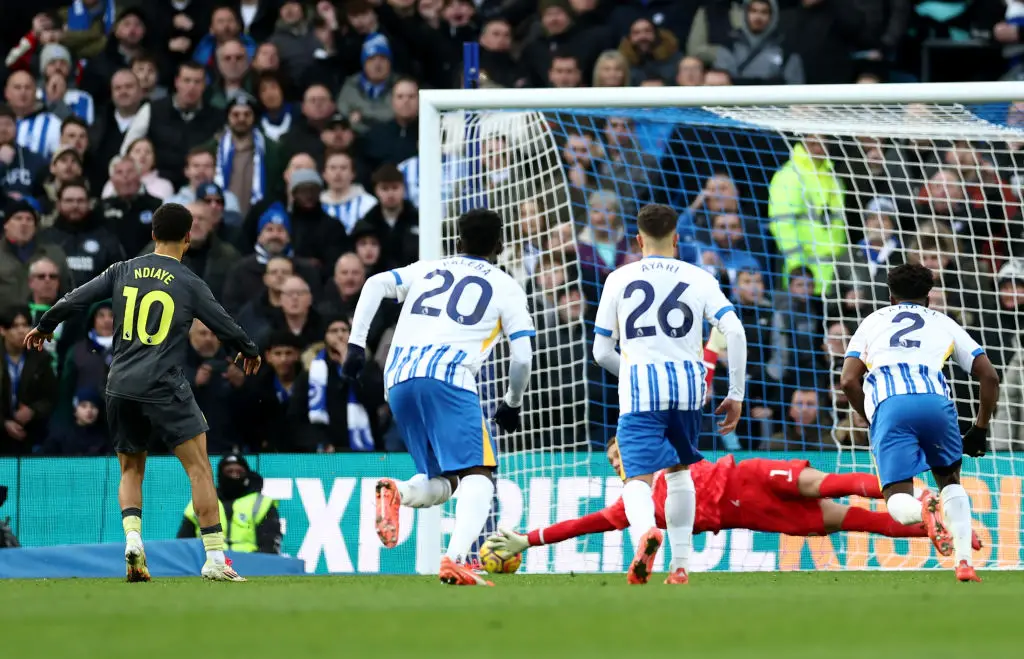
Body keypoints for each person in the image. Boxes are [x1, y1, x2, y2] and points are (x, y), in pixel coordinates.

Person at [25, 203, 262, 583]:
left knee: (131, 467)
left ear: (153, 234)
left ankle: (133, 539)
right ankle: (216, 558)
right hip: (164, 384)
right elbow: (223, 323)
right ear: (188, 237)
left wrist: (44, 325)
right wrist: (248, 349)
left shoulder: (122, 270)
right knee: (199, 467)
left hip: (119, 385)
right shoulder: (188, 281)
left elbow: (77, 298)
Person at [343, 208, 535, 587]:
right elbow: (524, 355)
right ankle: (456, 559)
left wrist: (355, 344)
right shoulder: (506, 285)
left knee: (444, 480)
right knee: (480, 473)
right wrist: (512, 402)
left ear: (458, 241)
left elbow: (374, 285)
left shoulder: (429, 268)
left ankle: (397, 491)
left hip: (397, 378)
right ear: (500, 244)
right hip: (448, 376)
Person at [591, 203, 748, 585]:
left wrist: (631, 373)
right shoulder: (699, 277)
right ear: (677, 239)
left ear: (638, 240)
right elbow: (737, 332)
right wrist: (737, 393)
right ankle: (680, 567)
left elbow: (600, 352)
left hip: (641, 391)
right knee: (679, 475)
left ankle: (645, 532)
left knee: (637, 482)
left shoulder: (618, 278)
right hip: (688, 390)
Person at [488, 437, 984, 557]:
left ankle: (918, 493)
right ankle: (948, 529)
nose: (620, 459)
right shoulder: (630, 504)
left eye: (623, 450)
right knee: (855, 520)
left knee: (825, 481)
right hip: (754, 515)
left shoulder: (668, 455)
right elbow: (582, 525)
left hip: (749, 476)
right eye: (614, 459)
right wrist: (527, 541)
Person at [839, 262, 1001, 583]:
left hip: (891, 406)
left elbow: (848, 381)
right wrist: (979, 429)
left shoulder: (872, 321)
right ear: (928, 297)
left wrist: (871, 417)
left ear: (890, 295)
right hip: (935, 404)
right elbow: (989, 376)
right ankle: (965, 564)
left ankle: (925, 508)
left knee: (898, 501)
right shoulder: (944, 322)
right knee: (951, 482)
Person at [176, 453, 281, 554]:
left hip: (249, 566)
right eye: (229, 471)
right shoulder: (201, 501)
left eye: (239, 472)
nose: (234, 475)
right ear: (220, 475)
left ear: (247, 475)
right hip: (207, 564)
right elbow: (183, 544)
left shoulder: (261, 504)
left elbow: (270, 545)